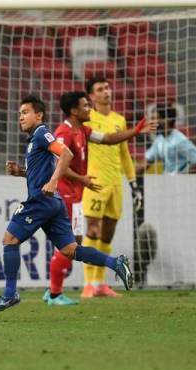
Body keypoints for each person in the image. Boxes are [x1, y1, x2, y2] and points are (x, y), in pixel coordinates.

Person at [0, 95, 133, 314]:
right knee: (70, 250)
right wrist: (21, 173)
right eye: (19, 113)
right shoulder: (35, 139)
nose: (21, 117)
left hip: (41, 201)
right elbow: (40, 173)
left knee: (10, 239)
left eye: (25, 112)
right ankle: (115, 263)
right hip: (54, 203)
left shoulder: (42, 133)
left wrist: (54, 182)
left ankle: (9, 294)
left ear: (39, 115)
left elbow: (66, 153)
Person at [44, 92, 157, 305]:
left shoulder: (83, 130)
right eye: (86, 106)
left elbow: (108, 139)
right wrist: (82, 179)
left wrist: (135, 131)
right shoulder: (64, 133)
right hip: (65, 194)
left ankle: (59, 290)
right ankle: (55, 292)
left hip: (76, 194)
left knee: (72, 244)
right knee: (70, 245)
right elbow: (58, 165)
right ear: (74, 111)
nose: (90, 109)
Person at [81, 77, 143, 298]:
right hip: (95, 182)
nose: (106, 92)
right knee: (93, 230)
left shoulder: (119, 119)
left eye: (107, 88)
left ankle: (100, 284)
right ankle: (88, 283)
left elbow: (125, 155)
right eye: (100, 89)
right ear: (91, 96)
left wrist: (134, 184)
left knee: (107, 234)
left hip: (116, 184)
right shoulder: (87, 119)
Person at [136, 104, 196, 174]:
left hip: (178, 183)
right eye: (152, 119)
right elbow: (145, 163)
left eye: (155, 118)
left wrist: (182, 177)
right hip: (167, 181)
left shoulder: (179, 140)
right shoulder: (160, 139)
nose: (152, 122)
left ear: (168, 120)